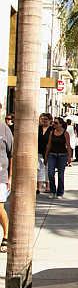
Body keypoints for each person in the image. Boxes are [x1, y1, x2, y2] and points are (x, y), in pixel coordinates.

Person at [45, 117, 72, 197]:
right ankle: (53, 191)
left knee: (60, 174)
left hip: (62, 155)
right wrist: (46, 156)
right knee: (50, 173)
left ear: (61, 124)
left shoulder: (65, 133)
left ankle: (60, 192)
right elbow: (49, 145)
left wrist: (69, 157)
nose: (54, 124)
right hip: (52, 155)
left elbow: (68, 146)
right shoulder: (51, 132)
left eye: (56, 123)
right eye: (53, 122)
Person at [0, 104, 13, 252]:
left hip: (1, 174)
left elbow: (12, 154)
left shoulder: (5, 129)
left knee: (0, 207)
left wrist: (10, 176)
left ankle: (6, 236)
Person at [38, 113, 53, 193]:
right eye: (43, 119)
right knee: (39, 169)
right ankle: (39, 187)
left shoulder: (52, 129)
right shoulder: (38, 128)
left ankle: (48, 186)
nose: (44, 121)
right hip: (39, 151)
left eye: (46, 119)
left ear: (50, 120)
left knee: (48, 169)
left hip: (49, 153)